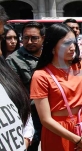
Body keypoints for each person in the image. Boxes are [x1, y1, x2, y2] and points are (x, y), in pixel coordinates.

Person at [30, 23, 82, 151]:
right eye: (66, 43)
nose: (72, 47)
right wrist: (77, 139)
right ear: (53, 47)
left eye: (73, 42)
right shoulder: (41, 76)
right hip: (58, 131)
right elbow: (45, 120)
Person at [6, 21, 45, 151]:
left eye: (34, 38)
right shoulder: (13, 60)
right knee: (32, 144)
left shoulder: (50, 55)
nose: (29, 42)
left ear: (43, 38)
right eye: (25, 38)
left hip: (52, 110)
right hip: (31, 113)